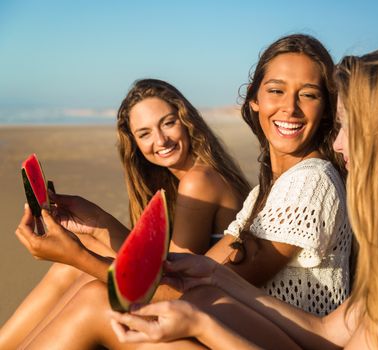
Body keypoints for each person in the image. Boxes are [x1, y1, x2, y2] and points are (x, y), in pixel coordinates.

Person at [110, 47, 378, 349]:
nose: (339, 143)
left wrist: (202, 325)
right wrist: (215, 276)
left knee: (100, 309)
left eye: (348, 126)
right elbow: (328, 330)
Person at [13, 34, 352, 349]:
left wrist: (77, 256)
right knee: (86, 281)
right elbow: (195, 271)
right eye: (277, 91)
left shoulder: (311, 182)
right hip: (235, 332)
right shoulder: (268, 190)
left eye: (308, 94)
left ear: (325, 109)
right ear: (254, 100)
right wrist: (96, 222)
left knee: (93, 301)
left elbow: (183, 292)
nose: (290, 108)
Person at [0, 79, 251, 349]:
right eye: (144, 133)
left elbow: (170, 284)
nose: (160, 140)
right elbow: (156, 265)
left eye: (168, 123)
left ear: (187, 121)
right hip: (207, 310)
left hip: (220, 326)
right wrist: (97, 222)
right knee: (78, 252)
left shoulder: (199, 181)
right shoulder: (194, 176)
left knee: (90, 288)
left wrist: (76, 255)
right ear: (134, 143)